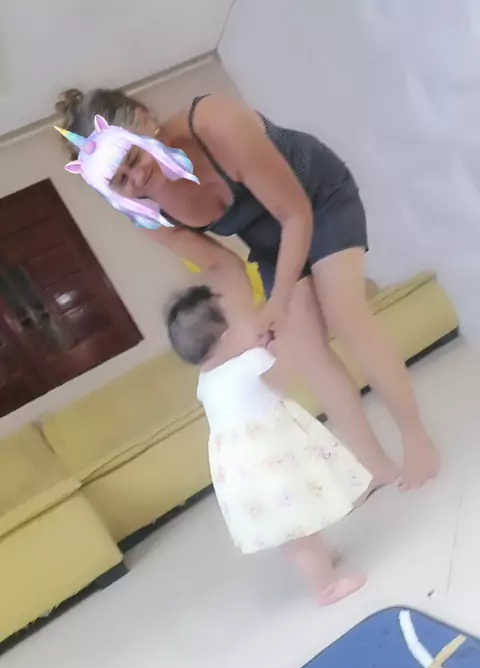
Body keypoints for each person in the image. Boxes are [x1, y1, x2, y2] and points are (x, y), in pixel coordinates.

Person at [55, 87, 439, 490]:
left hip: (316, 198)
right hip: (268, 238)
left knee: (344, 312)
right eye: (120, 181)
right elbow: (221, 265)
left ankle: (417, 441)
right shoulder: (146, 213)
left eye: (133, 159)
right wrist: (247, 329)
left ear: (144, 120)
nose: (136, 179)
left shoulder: (214, 123)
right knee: (307, 349)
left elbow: (295, 215)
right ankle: (375, 467)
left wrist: (280, 302)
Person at [166, 284, 371, 604]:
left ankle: (315, 562)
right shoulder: (251, 362)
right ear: (228, 337)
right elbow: (284, 377)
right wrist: (281, 344)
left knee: (289, 527)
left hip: (242, 472)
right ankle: (327, 587)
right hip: (275, 459)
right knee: (303, 525)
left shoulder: (204, 383)